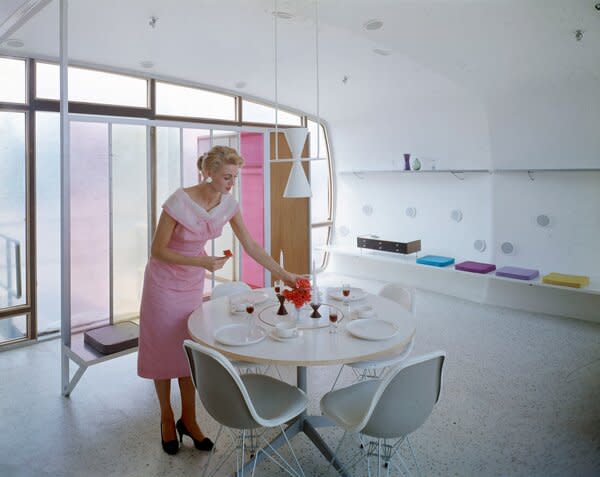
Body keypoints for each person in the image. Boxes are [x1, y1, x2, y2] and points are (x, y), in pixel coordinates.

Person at [137, 145, 301, 455]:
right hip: (162, 283)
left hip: (190, 283)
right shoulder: (179, 202)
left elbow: (251, 245)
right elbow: (157, 251)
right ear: (208, 172)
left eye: (234, 177)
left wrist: (284, 273)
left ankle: (190, 418)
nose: (231, 183)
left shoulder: (228, 205)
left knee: (188, 352)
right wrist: (202, 263)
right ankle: (166, 417)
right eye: (226, 176)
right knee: (161, 352)